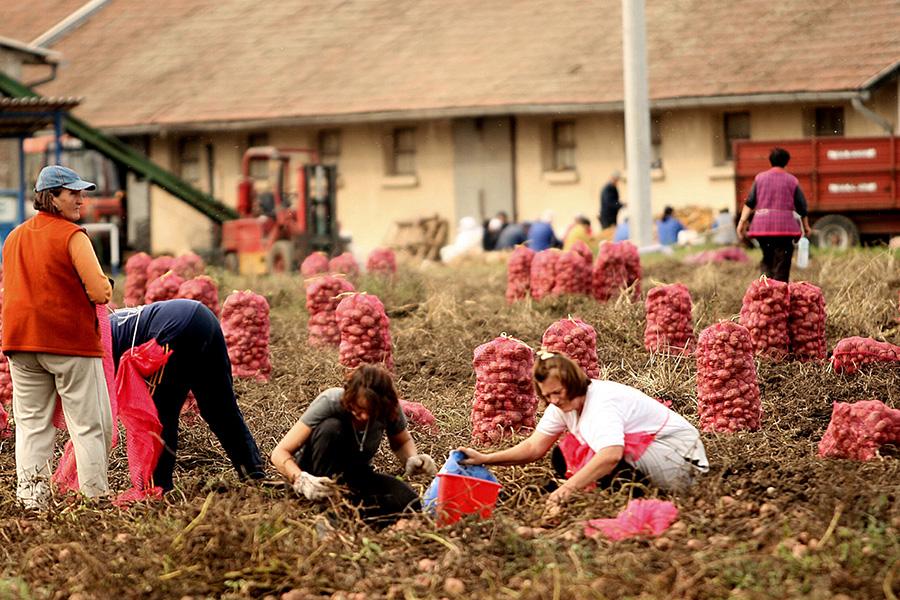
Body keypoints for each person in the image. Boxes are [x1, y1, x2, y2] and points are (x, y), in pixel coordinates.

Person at [458, 353, 708, 514]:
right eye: (547, 396)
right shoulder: (562, 404)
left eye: (558, 392)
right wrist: (485, 458)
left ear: (574, 382)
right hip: (652, 452)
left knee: (609, 461)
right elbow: (535, 448)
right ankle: (609, 491)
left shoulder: (600, 403)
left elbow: (611, 455)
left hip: (682, 460)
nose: (553, 400)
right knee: (562, 455)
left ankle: (632, 497)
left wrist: (566, 489)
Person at [2, 165, 114, 508]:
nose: (81, 199)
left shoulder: (15, 236)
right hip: (68, 342)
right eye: (73, 193)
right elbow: (99, 292)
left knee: (32, 425)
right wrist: (106, 285)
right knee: (89, 425)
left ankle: (32, 501)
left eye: (82, 192)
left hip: (20, 343)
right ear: (52, 198)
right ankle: (95, 498)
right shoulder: (72, 235)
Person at [109, 299, 265, 491]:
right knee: (219, 407)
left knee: (158, 416)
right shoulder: (105, 325)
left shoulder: (94, 344)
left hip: (174, 329)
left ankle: (157, 488)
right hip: (202, 317)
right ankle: (253, 473)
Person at [271, 364, 436, 526]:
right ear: (350, 398)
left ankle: (349, 510)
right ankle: (325, 508)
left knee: (411, 503)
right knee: (331, 428)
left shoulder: (389, 409)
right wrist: (301, 480)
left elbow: (402, 442)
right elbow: (279, 452)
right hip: (314, 475)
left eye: (371, 413)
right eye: (359, 409)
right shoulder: (331, 401)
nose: (364, 417)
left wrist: (412, 458)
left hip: (355, 476)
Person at [737, 147, 811, 282]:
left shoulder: (760, 178)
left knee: (767, 257)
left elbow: (750, 202)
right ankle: (779, 293)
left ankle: (765, 290)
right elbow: (802, 206)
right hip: (785, 229)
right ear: (786, 162)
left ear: (770, 162)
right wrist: (806, 226)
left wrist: (741, 223)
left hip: (762, 228)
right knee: (783, 261)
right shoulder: (792, 180)